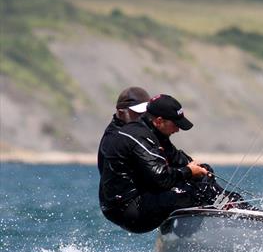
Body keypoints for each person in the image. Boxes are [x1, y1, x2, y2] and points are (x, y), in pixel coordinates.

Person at [98, 93, 247, 233]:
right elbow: (161, 178)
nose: (178, 129)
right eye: (175, 124)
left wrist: (197, 168)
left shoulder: (155, 132)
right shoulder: (139, 136)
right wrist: (189, 171)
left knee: (203, 176)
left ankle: (242, 209)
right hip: (127, 210)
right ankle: (238, 218)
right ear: (159, 121)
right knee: (195, 192)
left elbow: (177, 159)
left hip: (144, 196)